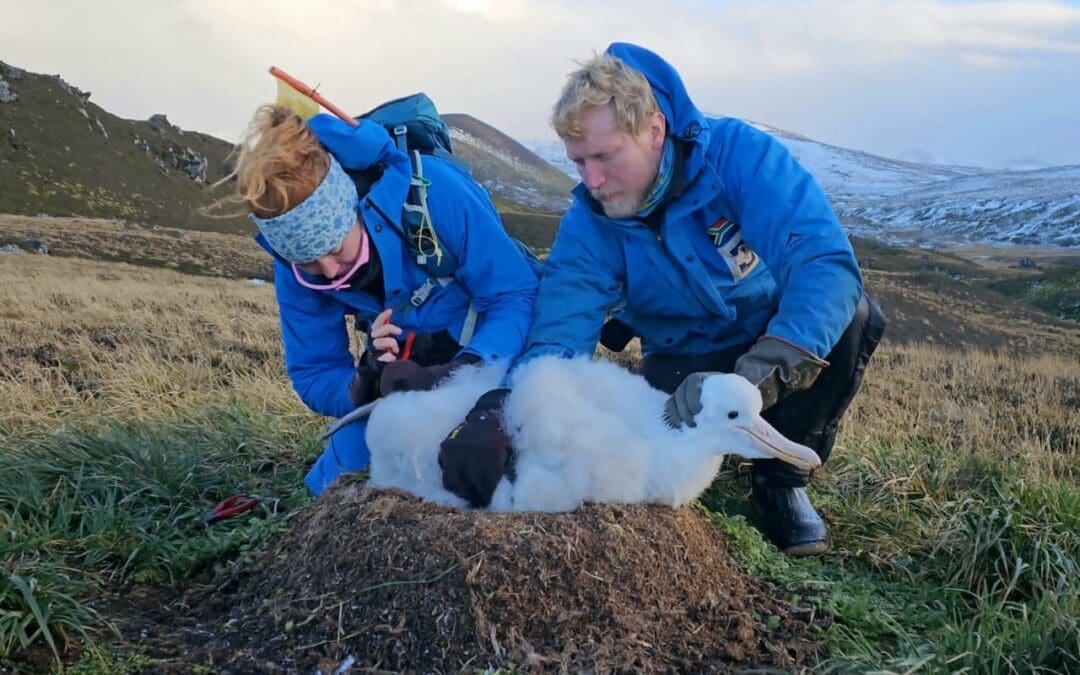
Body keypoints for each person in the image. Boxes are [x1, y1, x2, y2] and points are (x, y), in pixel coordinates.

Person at [438, 43, 885, 556]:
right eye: (579, 162)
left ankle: (780, 483)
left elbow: (823, 261)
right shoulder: (589, 223)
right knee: (645, 448)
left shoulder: (740, 157)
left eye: (605, 157)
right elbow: (559, 334)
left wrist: (754, 378)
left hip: (767, 334)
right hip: (680, 360)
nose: (592, 181)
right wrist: (509, 409)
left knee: (852, 318)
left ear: (654, 130)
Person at [231, 104, 539, 497]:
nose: (327, 271)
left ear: (353, 209)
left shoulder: (437, 193)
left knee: (504, 462)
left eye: (336, 248)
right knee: (337, 481)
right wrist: (364, 383)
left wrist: (466, 374)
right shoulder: (293, 267)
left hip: (496, 358)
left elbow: (515, 296)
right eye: (308, 261)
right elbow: (313, 370)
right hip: (409, 381)